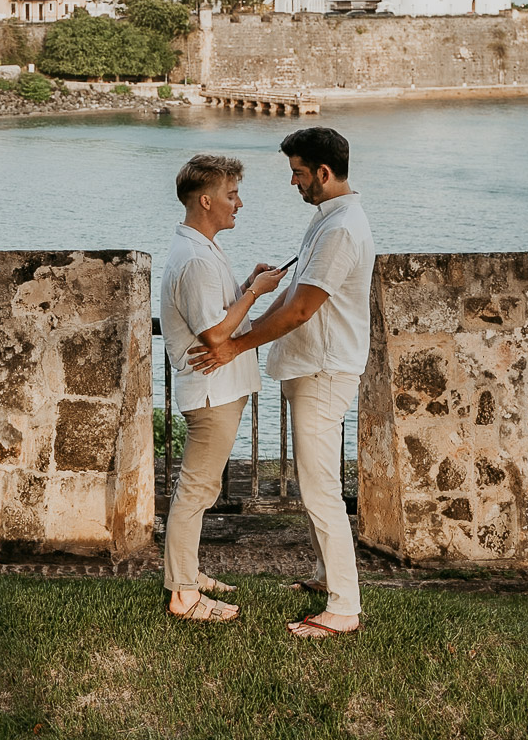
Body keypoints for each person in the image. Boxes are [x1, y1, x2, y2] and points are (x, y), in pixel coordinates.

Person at [188, 127, 374, 639]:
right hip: (308, 366)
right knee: (316, 487)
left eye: (297, 173)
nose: (293, 182)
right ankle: (324, 577)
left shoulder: (340, 229)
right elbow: (292, 293)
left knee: (320, 491)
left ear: (324, 172)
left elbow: (299, 310)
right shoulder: (327, 222)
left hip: (323, 368)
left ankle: (344, 608)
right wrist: (243, 330)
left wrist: (235, 347)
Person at [160, 153, 286, 623]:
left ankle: (187, 572)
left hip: (220, 389)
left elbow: (217, 315)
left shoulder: (202, 248)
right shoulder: (193, 258)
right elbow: (215, 334)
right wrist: (256, 294)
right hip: (211, 393)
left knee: (202, 487)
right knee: (195, 490)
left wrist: (249, 284)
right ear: (207, 200)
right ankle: (183, 595)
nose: (239, 203)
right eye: (231, 196)